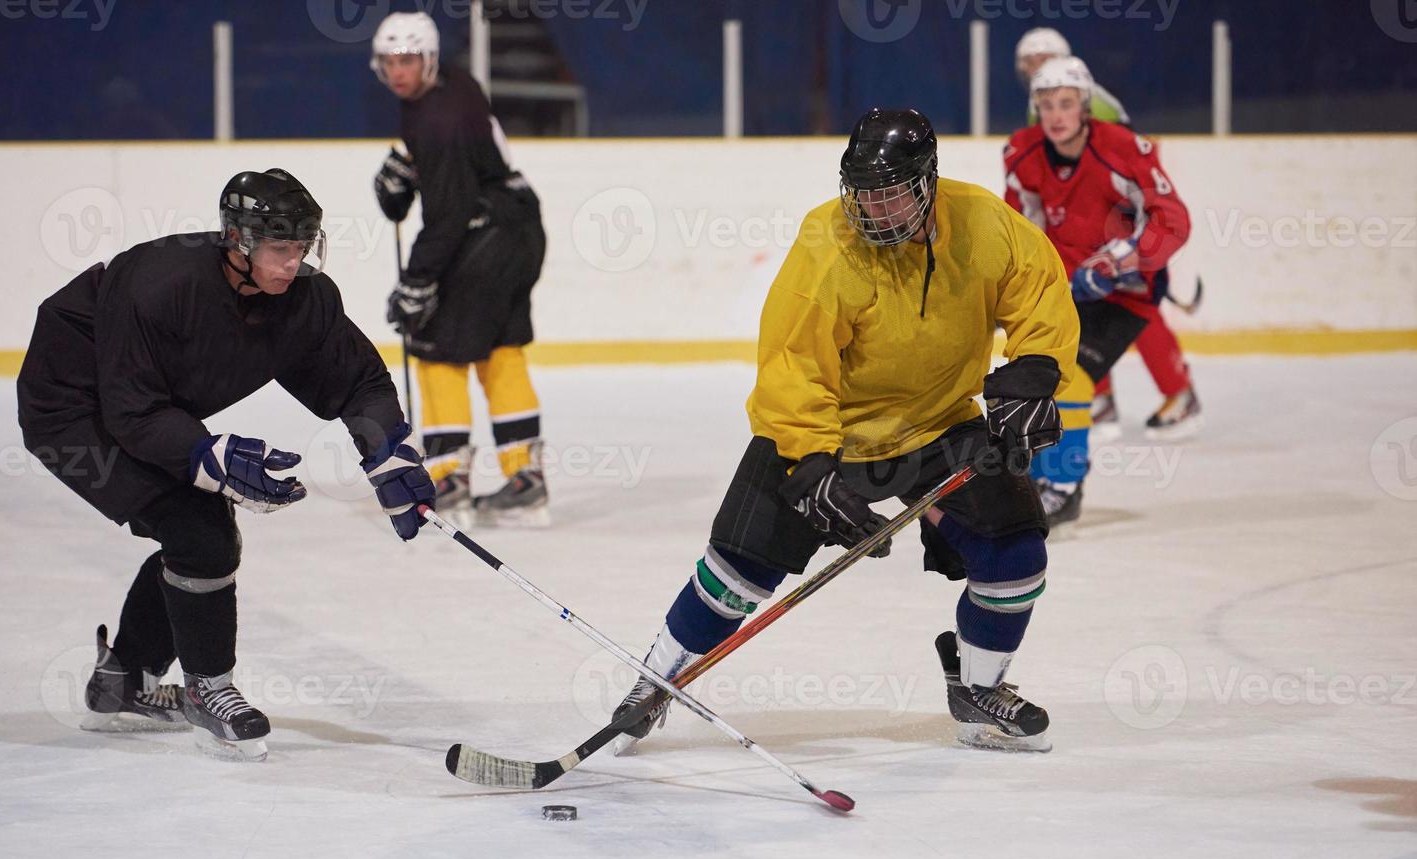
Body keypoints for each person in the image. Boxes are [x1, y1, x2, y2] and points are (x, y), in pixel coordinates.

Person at [608, 108, 1079, 755]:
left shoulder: (980, 222)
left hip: (939, 421)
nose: (870, 210)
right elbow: (791, 368)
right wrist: (807, 466)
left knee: (1015, 560)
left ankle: (978, 688)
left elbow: (1039, 289)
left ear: (926, 185)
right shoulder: (823, 247)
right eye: (860, 194)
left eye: (887, 195)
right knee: (737, 572)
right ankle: (653, 682)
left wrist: (1032, 373)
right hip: (833, 433)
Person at [16, 169, 437, 761]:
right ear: (237, 241)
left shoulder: (303, 300)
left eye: (303, 247)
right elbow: (131, 412)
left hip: (151, 405)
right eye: (279, 249)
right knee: (201, 531)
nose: (293, 264)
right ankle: (207, 687)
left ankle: (123, 682)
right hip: (75, 409)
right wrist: (208, 456)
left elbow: (358, 380)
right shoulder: (156, 284)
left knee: (194, 534)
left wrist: (388, 454)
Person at [371, 11, 550, 528]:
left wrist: (416, 281)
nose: (398, 71)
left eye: (407, 59)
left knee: (434, 343)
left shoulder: (436, 119)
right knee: (500, 347)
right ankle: (526, 480)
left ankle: (446, 480)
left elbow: (448, 214)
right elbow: (463, 161)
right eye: (390, 61)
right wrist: (412, 162)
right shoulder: (454, 84)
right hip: (520, 227)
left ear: (427, 58)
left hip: (484, 235)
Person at [1004, 57, 1193, 525]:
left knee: (1079, 376)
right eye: (1045, 105)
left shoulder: (1124, 149)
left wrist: (1121, 259)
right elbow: (1020, 229)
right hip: (1066, 286)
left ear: (1085, 106)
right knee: (1035, 371)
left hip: (1128, 290)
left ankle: (1065, 487)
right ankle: (1040, 478)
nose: (1056, 115)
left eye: (1066, 103)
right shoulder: (1022, 153)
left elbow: (1172, 219)